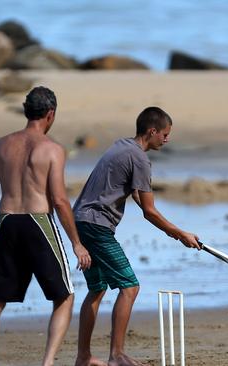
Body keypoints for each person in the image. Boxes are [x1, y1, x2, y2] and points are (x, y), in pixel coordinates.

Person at [72, 106, 201, 366]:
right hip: (97, 226)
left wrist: (172, 230)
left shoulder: (121, 146)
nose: (167, 139)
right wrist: (179, 233)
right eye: (164, 134)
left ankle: (83, 358)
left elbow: (135, 195)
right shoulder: (140, 159)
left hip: (80, 220)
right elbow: (149, 212)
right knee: (130, 286)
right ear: (152, 131)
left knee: (97, 289)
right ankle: (116, 355)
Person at [0, 86, 92, 366]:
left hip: (7, 222)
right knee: (64, 297)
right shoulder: (52, 149)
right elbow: (60, 200)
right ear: (50, 114)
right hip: (38, 223)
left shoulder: (2, 145)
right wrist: (77, 243)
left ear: (27, 111)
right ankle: (48, 362)